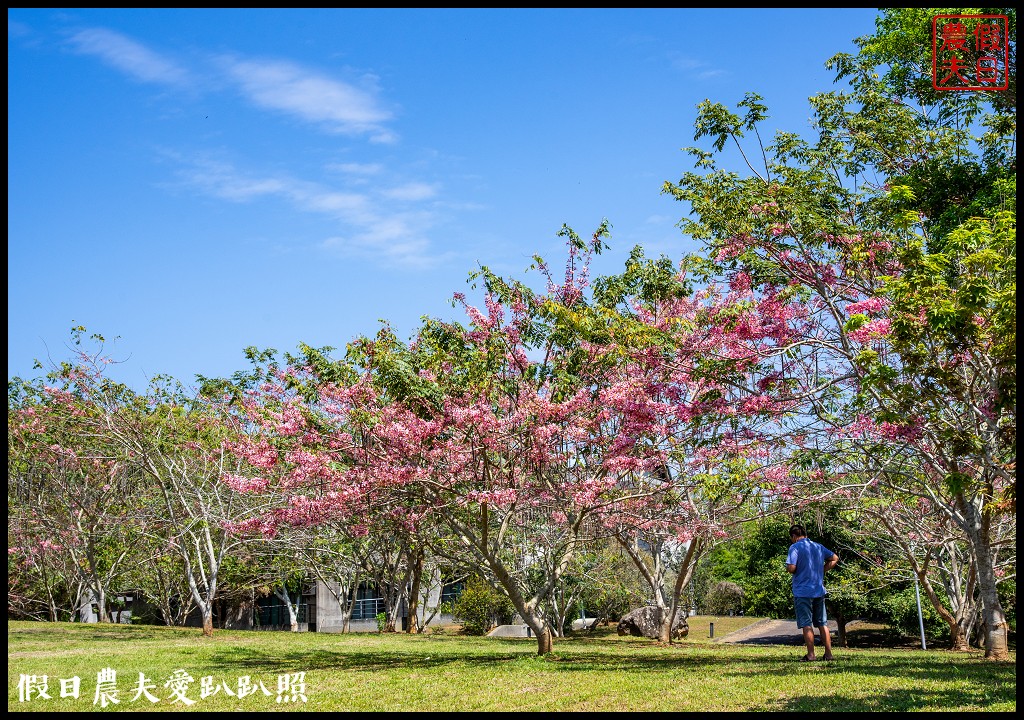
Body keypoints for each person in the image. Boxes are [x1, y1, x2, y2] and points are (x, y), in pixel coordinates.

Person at [786, 523, 839, 661]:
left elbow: (791, 567)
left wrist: (792, 569)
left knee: (806, 623)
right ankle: (828, 654)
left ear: (794, 536)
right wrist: (822, 570)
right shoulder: (818, 546)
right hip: (818, 590)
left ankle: (811, 655)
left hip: (802, 591)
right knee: (822, 623)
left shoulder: (795, 547)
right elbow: (834, 558)